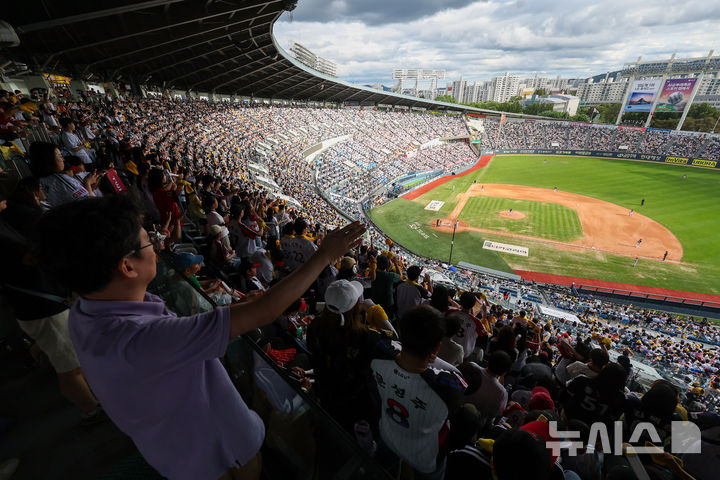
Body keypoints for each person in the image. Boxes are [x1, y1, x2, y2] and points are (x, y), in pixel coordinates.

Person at [32, 194, 365, 480]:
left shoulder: (86, 312)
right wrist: (324, 255)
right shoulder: (142, 340)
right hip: (218, 456)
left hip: (174, 451)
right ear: (127, 267)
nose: (155, 242)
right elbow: (264, 312)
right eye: (147, 240)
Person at [372, 305, 466, 478]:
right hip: (424, 457)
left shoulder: (377, 356)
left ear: (400, 332)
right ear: (437, 348)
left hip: (387, 435)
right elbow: (457, 379)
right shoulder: (449, 387)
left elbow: (384, 342)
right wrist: (434, 358)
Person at [463, 350, 512, 420]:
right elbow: (496, 413)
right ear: (504, 373)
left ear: (488, 362)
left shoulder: (471, 366)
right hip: (477, 422)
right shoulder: (502, 392)